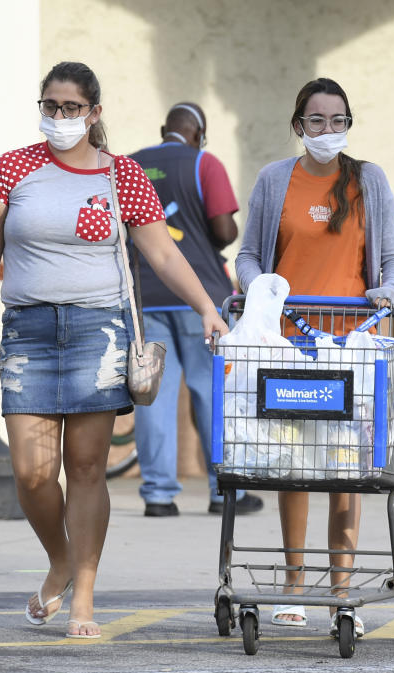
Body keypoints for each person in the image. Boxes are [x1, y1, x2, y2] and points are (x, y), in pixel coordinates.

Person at [0, 62, 228, 639]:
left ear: (94, 113)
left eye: (72, 108)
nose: (60, 117)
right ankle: (60, 560)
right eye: (51, 105)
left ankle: (84, 598)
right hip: (29, 334)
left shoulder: (122, 176)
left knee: (87, 468)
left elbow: (166, 257)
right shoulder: (12, 169)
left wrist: (206, 307)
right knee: (31, 473)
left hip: (100, 332)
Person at [235, 77, 394, 637]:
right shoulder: (273, 180)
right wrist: (258, 288)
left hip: (350, 343)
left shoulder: (368, 181)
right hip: (286, 341)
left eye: (337, 121)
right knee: (292, 464)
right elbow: (250, 255)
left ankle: (340, 591)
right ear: (298, 125)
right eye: (316, 121)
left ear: (349, 125)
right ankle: (291, 583)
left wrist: (389, 294)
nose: (327, 131)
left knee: (344, 467)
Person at [129, 103, 263, 517]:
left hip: (145, 296)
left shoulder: (132, 165)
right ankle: (225, 492)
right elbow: (224, 230)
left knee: (153, 396)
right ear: (199, 134)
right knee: (212, 393)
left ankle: (157, 495)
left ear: (164, 129)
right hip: (200, 297)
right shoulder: (205, 163)